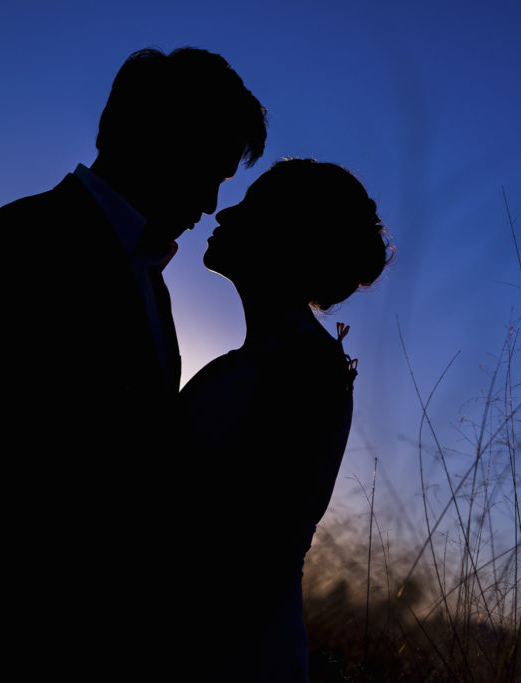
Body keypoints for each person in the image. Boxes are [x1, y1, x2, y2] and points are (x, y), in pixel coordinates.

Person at [0, 47, 267, 666]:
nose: (209, 202)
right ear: (161, 138)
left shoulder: (155, 281)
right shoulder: (30, 235)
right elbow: (34, 448)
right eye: (213, 170)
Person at [177, 158, 391, 681]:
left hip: (232, 656)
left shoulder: (309, 372)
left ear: (288, 237)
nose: (223, 213)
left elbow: (240, 543)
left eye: (250, 207)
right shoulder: (260, 362)